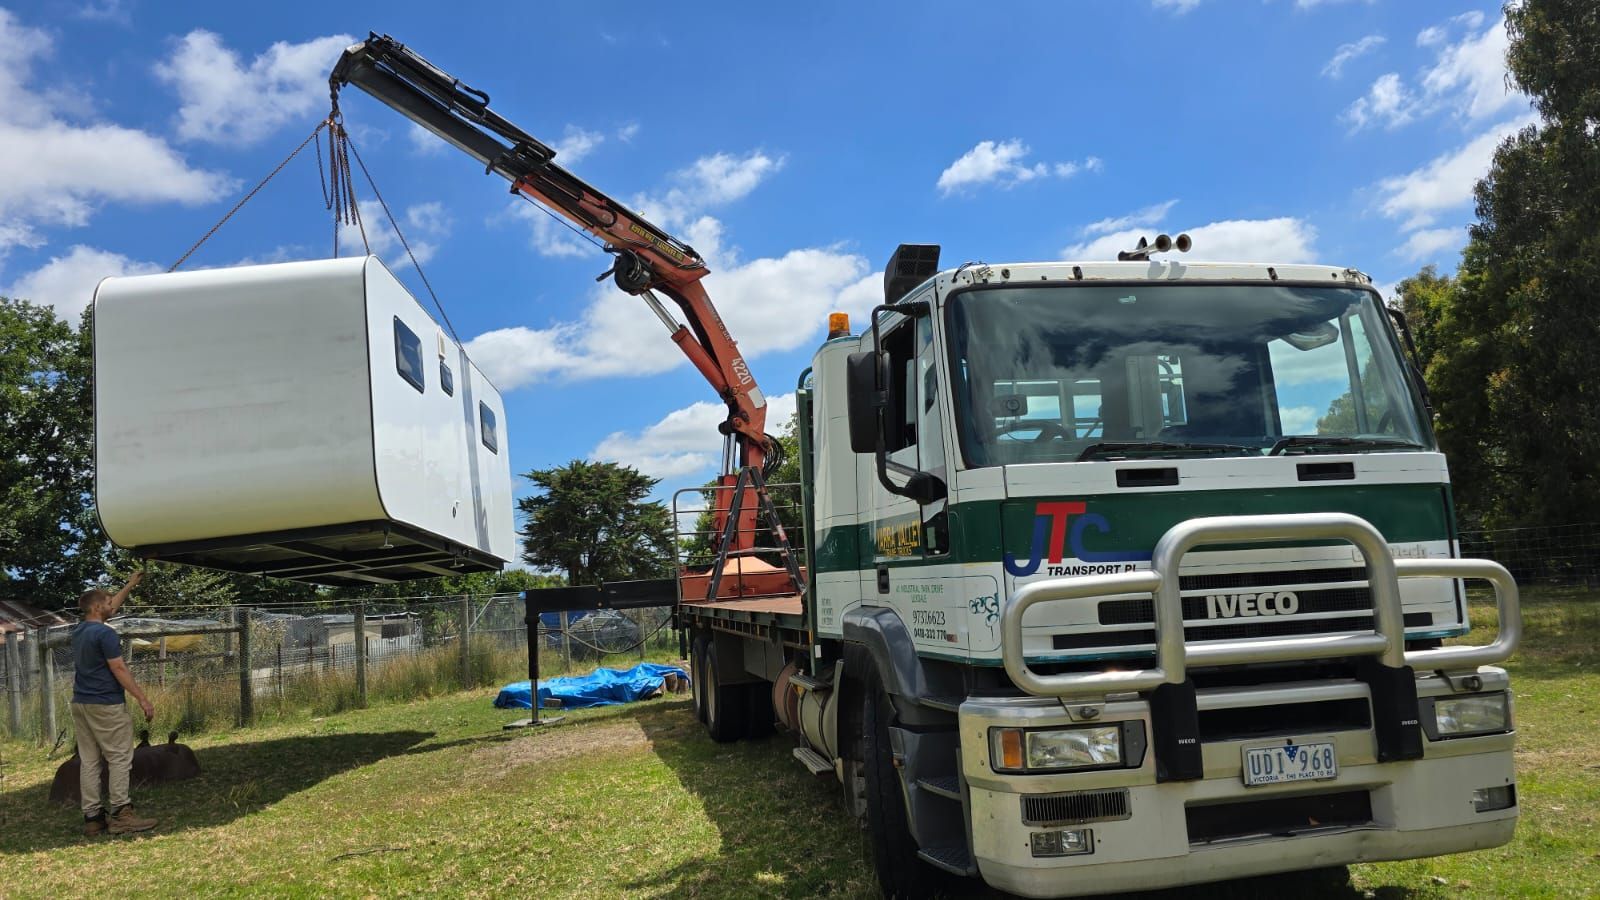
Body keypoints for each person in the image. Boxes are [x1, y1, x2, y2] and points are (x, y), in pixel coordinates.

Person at [71, 570, 158, 837]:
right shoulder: (106, 635)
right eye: (108, 604)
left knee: (90, 761)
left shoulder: (80, 631)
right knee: (119, 757)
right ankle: (122, 814)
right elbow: (118, 668)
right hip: (106, 704)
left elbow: (111, 605)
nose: (113, 606)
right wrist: (142, 698)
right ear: (98, 608)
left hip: (81, 703)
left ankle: (93, 818)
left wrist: (130, 585)